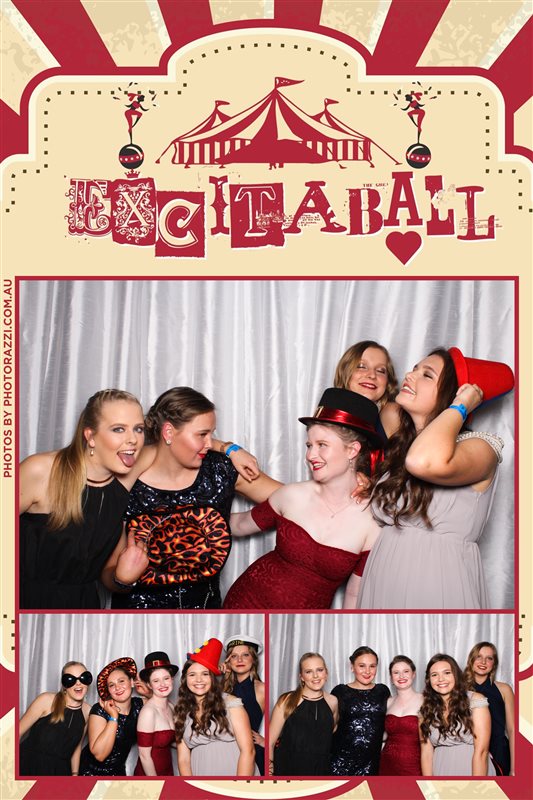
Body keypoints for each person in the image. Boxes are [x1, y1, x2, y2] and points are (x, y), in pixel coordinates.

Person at [357, 346, 514, 609]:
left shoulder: (482, 447)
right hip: (383, 578)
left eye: (427, 375)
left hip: (439, 581)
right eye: (414, 368)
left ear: (454, 394)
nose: (410, 375)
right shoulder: (400, 441)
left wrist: (461, 405)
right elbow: (382, 409)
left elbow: (422, 462)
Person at [111, 387, 280, 609]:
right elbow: (106, 573)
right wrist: (122, 579)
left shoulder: (221, 470)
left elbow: (292, 500)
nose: (210, 443)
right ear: (168, 432)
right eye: (202, 434)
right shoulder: (127, 480)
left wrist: (229, 448)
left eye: (212, 434)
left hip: (205, 616)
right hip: (139, 617)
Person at [224, 389, 383, 609]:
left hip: (303, 622)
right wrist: (191, 514)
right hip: (246, 603)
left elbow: (354, 595)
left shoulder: (372, 524)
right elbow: (240, 524)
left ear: (352, 450)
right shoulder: (292, 495)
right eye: (309, 445)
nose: (310, 455)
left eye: (322, 445)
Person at [19, 389, 150, 609]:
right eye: (118, 429)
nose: (133, 439)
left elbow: (108, 577)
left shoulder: (119, 489)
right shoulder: (41, 470)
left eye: (139, 429)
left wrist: (124, 578)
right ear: (90, 436)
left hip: (83, 608)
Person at [175, 638, 257, 776]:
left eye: (205, 674)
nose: (199, 680)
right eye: (192, 675)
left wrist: (241, 786)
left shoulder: (231, 704)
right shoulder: (181, 712)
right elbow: (183, 760)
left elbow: (248, 751)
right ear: (185, 679)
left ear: (212, 678)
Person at [419, 653, 495, 776]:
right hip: (440, 771)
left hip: (473, 770)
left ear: (456, 675)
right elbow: (426, 754)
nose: (441, 679)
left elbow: (482, 751)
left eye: (447, 673)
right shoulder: (425, 710)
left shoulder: (475, 700)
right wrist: (428, 785)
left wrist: (477, 785)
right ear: (429, 680)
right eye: (434, 675)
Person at [269, 652, 338, 776]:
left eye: (320, 670)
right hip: (288, 770)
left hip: (321, 771)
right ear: (301, 677)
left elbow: (329, 734)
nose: (315, 676)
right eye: (308, 671)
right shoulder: (287, 700)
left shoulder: (333, 701)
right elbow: (270, 742)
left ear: (326, 673)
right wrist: (269, 770)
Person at [19, 661, 92, 776]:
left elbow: (77, 746)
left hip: (60, 771)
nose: (78, 683)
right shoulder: (46, 700)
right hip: (30, 765)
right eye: (70, 679)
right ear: (64, 685)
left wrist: (75, 774)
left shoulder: (87, 711)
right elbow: (16, 733)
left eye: (83, 678)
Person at [331, 646, 390, 775]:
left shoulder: (383, 691)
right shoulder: (339, 691)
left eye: (372, 666)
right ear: (352, 667)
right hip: (340, 762)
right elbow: (330, 726)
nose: (367, 671)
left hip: (371, 764)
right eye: (362, 666)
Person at [79, 657, 143, 776]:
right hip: (90, 773)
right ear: (108, 690)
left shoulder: (139, 705)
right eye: (111, 685)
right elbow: (99, 755)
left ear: (131, 682)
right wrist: (113, 717)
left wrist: (144, 687)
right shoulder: (100, 709)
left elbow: (159, 700)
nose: (117, 688)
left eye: (121, 681)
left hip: (118, 773)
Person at [464, 641, 514, 775]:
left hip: (499, 752)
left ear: (494, 664)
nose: (483, 662)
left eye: (489, 658)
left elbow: (512, 730)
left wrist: (514, 768)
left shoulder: (504, 689)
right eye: (478, 657)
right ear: (471, 660)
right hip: (470, 752)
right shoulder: (458, 690)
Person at [333, 339, 400, 437]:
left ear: (388, 381)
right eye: (361, 366)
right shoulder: (327, 411)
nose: (372, 375)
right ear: (344, 371)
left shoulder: (393, 414)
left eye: (380, 371)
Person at [222, 634, 265, 774]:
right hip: (225, 753)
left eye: (245, 655)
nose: (239, 660)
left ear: (253, 659)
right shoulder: (222, 688)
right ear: (228, 661)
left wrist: (265, 742)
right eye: (234, 656)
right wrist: (219, 675)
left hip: (252, 754)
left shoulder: (261, 688)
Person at [134, 651, 178, 776]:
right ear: (149, 684)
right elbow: (144, 756)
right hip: (149, 777)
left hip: (168, 772)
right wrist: (155, 784)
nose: (162, 684)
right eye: (156, 681)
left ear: (172, 679)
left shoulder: (171, 706)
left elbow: (169, 741)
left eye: (166, 678)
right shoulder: (148, 712)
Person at [379, 655, 422, 775]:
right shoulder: (388, 702)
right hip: (387, 763)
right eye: (396, 672)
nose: (401, 676)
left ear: (413, 674)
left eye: (406, 671)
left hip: (414, 765)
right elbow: (383, 735)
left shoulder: (425, 701)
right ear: (391, 677)